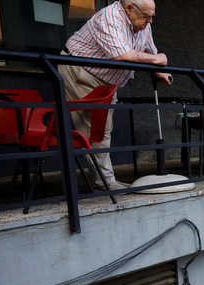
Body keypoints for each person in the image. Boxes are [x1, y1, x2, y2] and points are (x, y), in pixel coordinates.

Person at [60, 0, 172, 190]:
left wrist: (156, 70)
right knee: (97, 129)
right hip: (81, 71)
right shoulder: (109, 17)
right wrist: (157, 59)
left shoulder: (142, 21)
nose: (150, 20)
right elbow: (120, 54)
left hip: (106, 79)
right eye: (147, 15)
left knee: (103, 129)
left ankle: (105, 180)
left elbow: (148, 48)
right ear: (129, 8)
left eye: (152, 15)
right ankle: (105, 182)